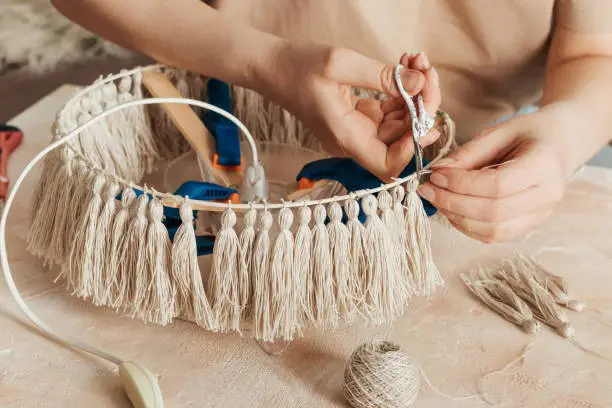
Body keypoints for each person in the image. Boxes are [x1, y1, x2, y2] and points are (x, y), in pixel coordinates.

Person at [51, 0, 612, 243]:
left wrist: (565, 134)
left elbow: (595, 52)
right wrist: (265, 62)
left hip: (450, 205)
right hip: (218, 119)